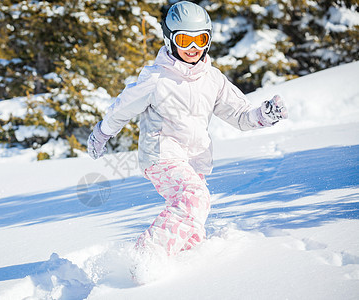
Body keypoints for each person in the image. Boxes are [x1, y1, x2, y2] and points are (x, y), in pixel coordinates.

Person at [87, 1, 287, 258]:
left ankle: (183, 267)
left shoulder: (212, 79)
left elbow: (238, 115)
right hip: (161, 155)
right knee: (193, 198)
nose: (193, 48)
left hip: (194, 160)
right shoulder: (156, 79)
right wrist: (102, 132)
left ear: (209, 39)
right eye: (184, 40)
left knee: (192, 224)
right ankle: (144, 256)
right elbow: (122, 108)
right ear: (170, 40)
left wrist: (262, 116)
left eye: (200, 39)